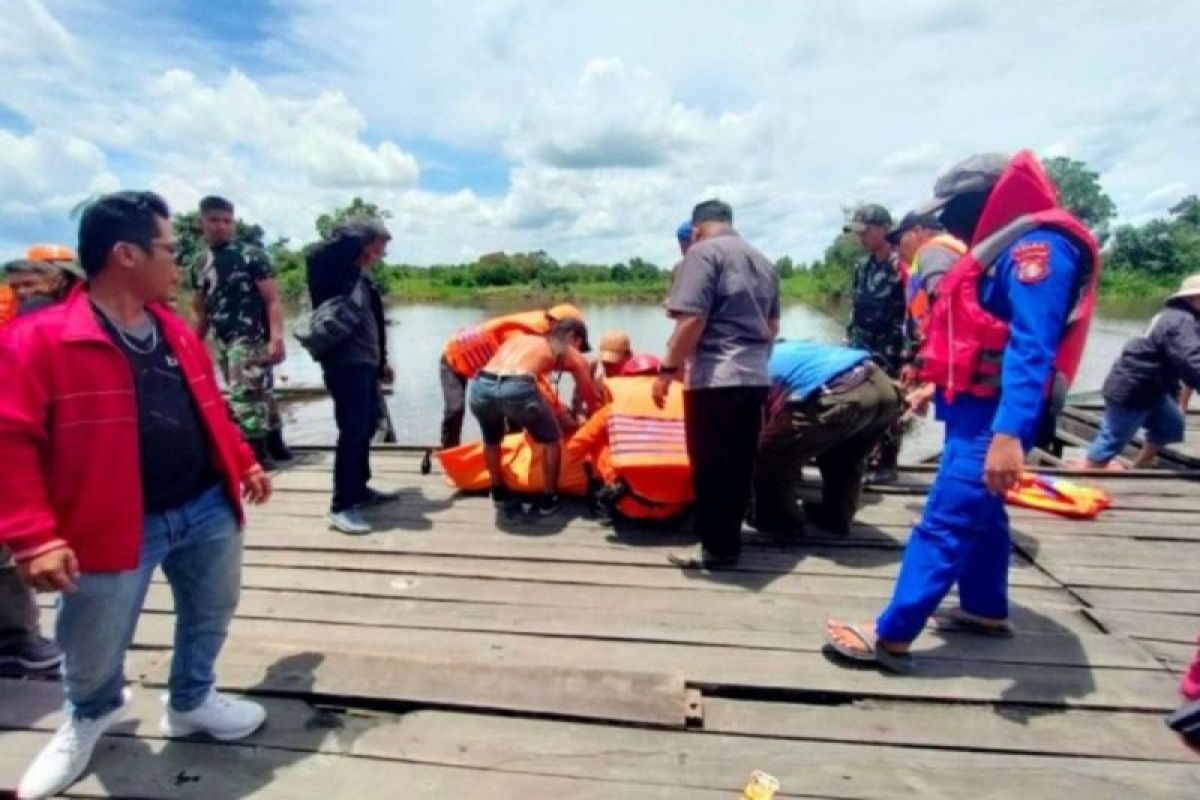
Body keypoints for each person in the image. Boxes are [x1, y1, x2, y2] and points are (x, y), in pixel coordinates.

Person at [0, 191, 273, 800]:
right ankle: (89, 713)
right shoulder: (37, 339)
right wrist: (34, 536)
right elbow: (9, 442)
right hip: (110, 519)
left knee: (212, 609)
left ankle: (192, 699)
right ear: (125, 254)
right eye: (170, 248)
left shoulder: (171, 327)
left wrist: (244, 460)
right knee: (93, 634)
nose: (180, 260)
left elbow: (209, 406)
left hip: (205, 505)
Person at [825, 151, 1100, 673]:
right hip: (973, 406)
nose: (945, 223)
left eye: (953, 210)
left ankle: (892, 633)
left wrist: (1010, 434)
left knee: (944, 518)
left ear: (985, 200)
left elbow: (1032, 344)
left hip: (995, 416)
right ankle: (984, 607)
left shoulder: (1039, 247)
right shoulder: (1006, 247)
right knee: (985, 509)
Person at [656, 199, 780, 570]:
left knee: (710, 467)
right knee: (739, 464)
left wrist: (667, 369)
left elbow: (692, 320)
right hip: (755, 375)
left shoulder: (702, 253)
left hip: (715, 378)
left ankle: (716, 549)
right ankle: (728, 540)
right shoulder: (763, 261)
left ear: (696, 229)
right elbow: (773, 328)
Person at [305, 217, 400, 535]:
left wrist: (382, 360)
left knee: (368, 426)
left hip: (366, 364)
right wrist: (363, 231)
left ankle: (359, 489)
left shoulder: (363, 277)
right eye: (379, 245)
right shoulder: (331, 271)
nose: (381, 253)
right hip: (344, 363)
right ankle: (341, 505)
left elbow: (376, 320)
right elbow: (318, 251)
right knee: (352, 430)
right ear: (362, 241)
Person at [750, 340, 902, 537]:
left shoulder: (754, 367)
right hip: (884, 388)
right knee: (845, 457)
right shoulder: (798, 350)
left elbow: (756, 426)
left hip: (844, 395)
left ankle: (779, 522)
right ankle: (836, 517)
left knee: (771, 451)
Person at [190, 196, 291, 469]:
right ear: (203, 223)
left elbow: (272, 299)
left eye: (226, 221)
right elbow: (201, 310)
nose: (221, 227)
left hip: (251, 336)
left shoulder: (252, 256)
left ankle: (258, 455)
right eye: (214, 221)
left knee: (245, 396)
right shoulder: (200, 263)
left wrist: (277, 337)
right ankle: (276, 445)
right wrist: (192, 345)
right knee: (260, 392)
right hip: (223, 337)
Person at [469, 318, 601, 516]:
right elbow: (591, 398)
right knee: (552, 440)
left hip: (481, 385)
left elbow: (527, 378)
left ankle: (497, 492)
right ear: (573, 337)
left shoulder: (521, 340)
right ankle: (549, 499)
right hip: (516, 386)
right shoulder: (569, 352)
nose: (578, 351)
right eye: (580, 345)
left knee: (491, 439)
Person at [1082, 274, 1200, 469]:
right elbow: (1191, 361)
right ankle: (1083, 477)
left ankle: (1139, 467)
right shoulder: (1180, 322)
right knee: (1112, 440)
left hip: (1151, 388)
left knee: (1171, 426)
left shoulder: (1177, 316)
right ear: (1192, 298)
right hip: (1133, 389)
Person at [567, 354, 693, 524]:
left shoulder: (613, 409)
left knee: (598, 441)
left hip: (630, 504)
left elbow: (575, 447)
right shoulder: (685, 403)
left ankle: (601, 499)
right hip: (678, 508)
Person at [439, 303, 585, 448]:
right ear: (556, 323)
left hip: (490, 373)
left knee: (513, 407)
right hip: (453, 359)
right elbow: (528, 381)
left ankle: (511, 453)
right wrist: (560, 411)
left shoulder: (544, 334)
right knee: (455, 410)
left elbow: (533, 380)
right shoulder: (520, 333)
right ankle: (449, 452)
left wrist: (560, 407)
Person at [844, 204, 907, 483]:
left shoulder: (902, 265)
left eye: (866, 232)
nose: (861, 238)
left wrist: (912, 356)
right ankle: (863, 458)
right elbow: (855, 306)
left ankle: (887, 464)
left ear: (884, 228)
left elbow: (915, 312)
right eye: (858, 233)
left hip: (892, 348)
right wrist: (848, 339)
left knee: (892, 404)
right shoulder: (862, 266)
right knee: (862, 403)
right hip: (861, 346)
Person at [571, 329, 633, 417]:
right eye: (605, 363)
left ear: (628, 355)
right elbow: (577, 401)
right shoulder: (592, 369)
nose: (607, 367)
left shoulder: (635, 376)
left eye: (612, 363)